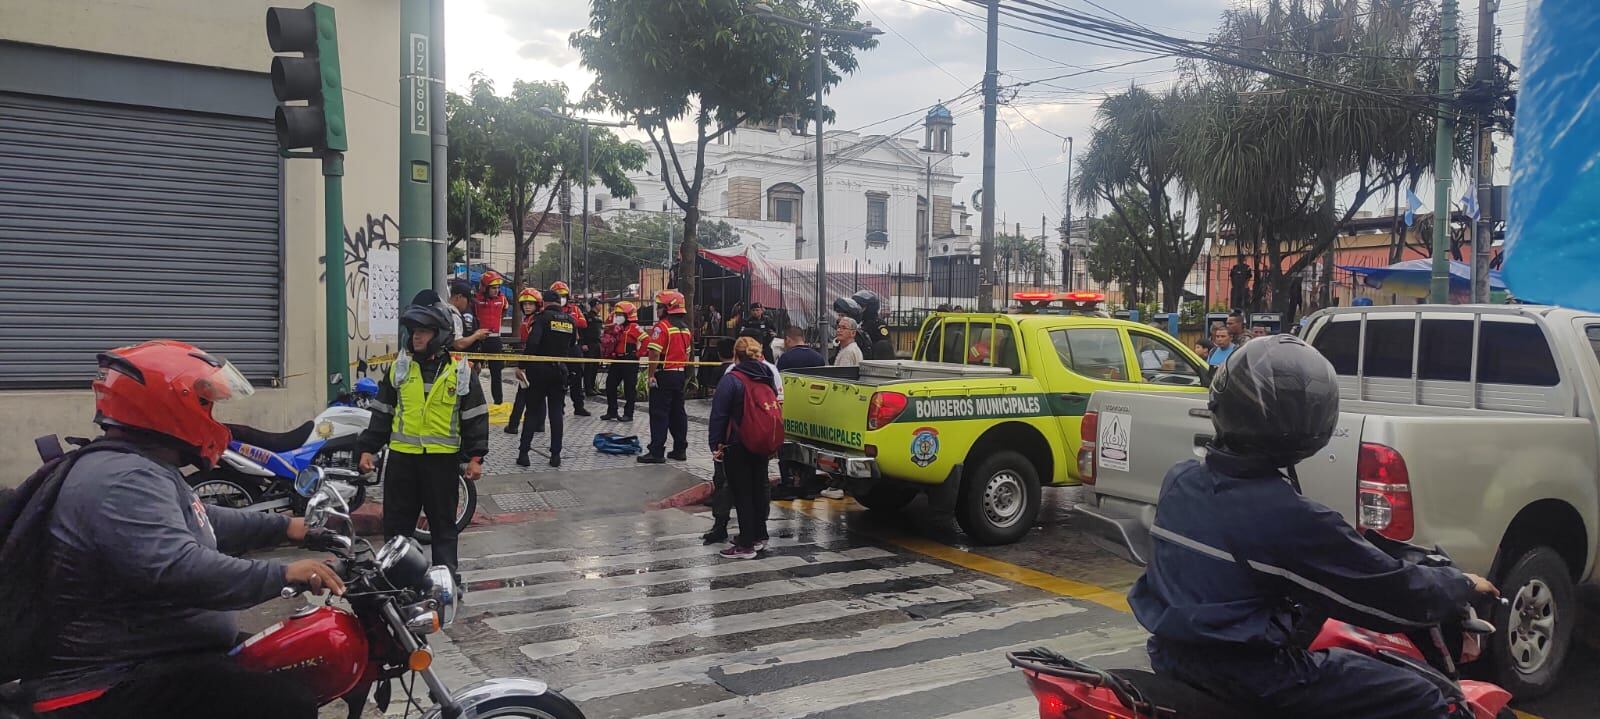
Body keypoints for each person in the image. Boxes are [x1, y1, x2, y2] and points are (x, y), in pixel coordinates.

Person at [1129, 334, 1497, 719]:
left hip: (1172, 656)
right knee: (1424, 697)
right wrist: (1459, 585)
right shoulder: (1286, 515)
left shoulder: (1181, 479)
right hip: (1251, 675)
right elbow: (1387, 592)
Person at [15, 340, 341, 719]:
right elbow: (179, 568)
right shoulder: (121, 479)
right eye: (205, 405)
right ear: (165, 405)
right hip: (105, 680)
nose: (213, 418)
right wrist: (283, 574)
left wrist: (290, 527)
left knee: (284, 653)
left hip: (153, 654)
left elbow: (204, 519)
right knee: (286, 703)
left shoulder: (144, 466)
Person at [359, 301, 487, 573]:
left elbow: (475, 417)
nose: (416, 337)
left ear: (440, 335)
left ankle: (445, 579)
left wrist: (476, 458)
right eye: (414, 331)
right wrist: (368, 448)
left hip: (441, 463)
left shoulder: (461, 371)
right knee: (396, 526)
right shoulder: (400, 368)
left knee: (443, 526)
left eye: (424, 331)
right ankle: (395, 578)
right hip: (402, 461)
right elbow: (382, 412)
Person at [708, 337, 781, 559]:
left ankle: (746, 545)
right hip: (761, 441)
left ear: (735, 354)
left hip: (737, 443)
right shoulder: (767, 375)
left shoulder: (732, 379)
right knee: (758, 488)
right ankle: (759, 536)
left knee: (742, 493)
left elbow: (719, 415)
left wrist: (715, 444)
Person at [515, 290, 577, 468]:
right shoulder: (570, 320)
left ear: (545, 303)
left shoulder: (542, 319)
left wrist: (521, 365)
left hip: (539, 370)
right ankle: (555, 455)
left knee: (532, 412)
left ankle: (524, 454)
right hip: (560, 370)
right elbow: (572, 345)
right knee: (556, 413)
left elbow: (533, 343)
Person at [638, 289, 694, 464]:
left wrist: (651, 375)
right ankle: (680, 449)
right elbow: (687, 354)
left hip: (664, 376)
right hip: (679, 375)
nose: (657, 310)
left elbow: (654, 353)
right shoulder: (685, 329)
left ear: (669, 307)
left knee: (659, 413)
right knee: (678, 413)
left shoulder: (662, 327)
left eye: (660, 306)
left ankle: (656, 451)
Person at [773, 325, 825, 500]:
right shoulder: (818, 358)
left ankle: (788, 484)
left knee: (787, 447)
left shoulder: (785, 359)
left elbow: (779, 384)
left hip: (791, 409)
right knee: (809, 448)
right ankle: (807, 486)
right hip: (812, 410)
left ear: (788, 339)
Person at [549, 281, 591, 416]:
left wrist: (567, 319)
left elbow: (583, 323)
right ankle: (559, 407)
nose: (561, 298)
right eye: (558, 296)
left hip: (573, 346)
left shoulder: (575, 309)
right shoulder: (549, 311)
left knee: (577, 377)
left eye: (563, 296)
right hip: (557, 348)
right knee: (559, 378)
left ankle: (579, 406)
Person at [504, 288, 542, 436]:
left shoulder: (534, 321)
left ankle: (513, 425)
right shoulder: (529, 320)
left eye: (530, 304)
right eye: (525, 304)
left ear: (537, 305)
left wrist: (522, 365)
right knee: (538, 395)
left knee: (522, 395)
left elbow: (531, 345)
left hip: (531, 362)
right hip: (535, 361)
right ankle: (539, 424)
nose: (527, 307)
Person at [600, 301, 645, 422]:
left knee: (629, 388)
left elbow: (646, 340)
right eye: (617, 314)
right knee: (610, 385)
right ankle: (612, 411)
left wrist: (639, 354)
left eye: (620, 314)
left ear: (628, 315)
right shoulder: (617, 327)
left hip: (629, 360)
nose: (618, 317)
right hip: (617, 359)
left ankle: (628, 414)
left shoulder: (634, 327)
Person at [473, 271, 510, 404]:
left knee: (496, 373)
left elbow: (505, 310)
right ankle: (472, 402)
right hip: (479, 339)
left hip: (495, 339)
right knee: (473, 371)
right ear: (485, 287)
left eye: (498, 288)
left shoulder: (503, 299)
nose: (496, 290)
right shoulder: (475, 299)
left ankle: (498, 402)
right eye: (493, 288)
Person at [447, 282, 490, 353]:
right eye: (468, 300)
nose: (469, 304)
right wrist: (477, 335)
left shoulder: (445, 310)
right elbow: (458, 344)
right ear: (458, 297)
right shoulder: (453, 315)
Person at [581, 298, 604, 398]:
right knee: (589, 367)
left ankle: (593, 387)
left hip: (597, 344)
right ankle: (588, 388)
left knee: (595, 366)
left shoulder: (598, 317)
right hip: (589, 344)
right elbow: (582, 331)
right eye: (600, 304)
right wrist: (583, 343)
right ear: (596, 305)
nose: (601, 306)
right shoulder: (586, 316)